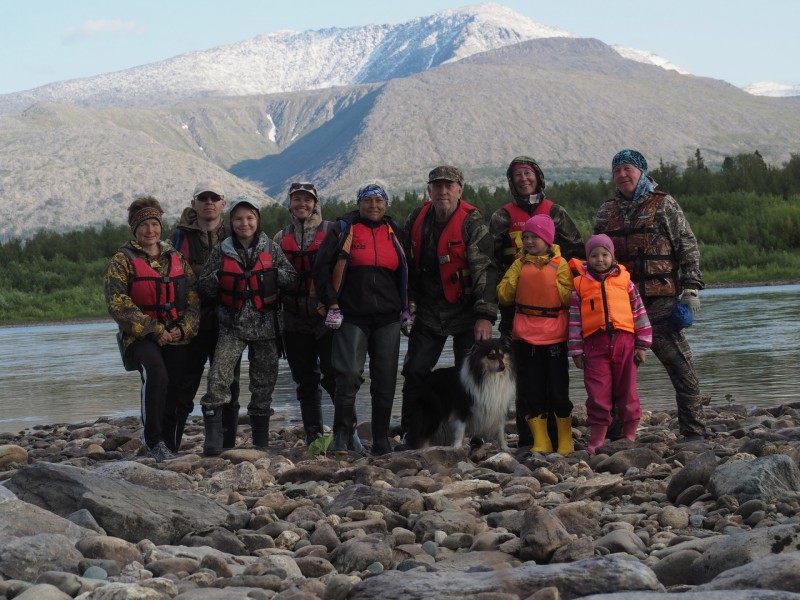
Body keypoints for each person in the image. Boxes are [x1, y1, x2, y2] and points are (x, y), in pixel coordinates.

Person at [594, 149, 706, 441]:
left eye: (628, 169)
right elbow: (593, 257)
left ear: (641, 172)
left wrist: (691, 287)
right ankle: (616, 436)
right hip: (620, 310)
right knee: (619, 377)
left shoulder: (664, 203)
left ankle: (694, 432)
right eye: (617, 170)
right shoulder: (606, 212)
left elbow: (687, 245)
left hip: (661, 305)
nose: (622, 175)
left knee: (683, 370)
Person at [400, 166, 498, 449]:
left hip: (467, 312)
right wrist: (408, 302)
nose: (443, 191)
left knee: (471, 374)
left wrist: (485, 316)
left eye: (449, 186)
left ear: (459, 190)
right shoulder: (416, 218)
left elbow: (486, 271)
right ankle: (412, 431)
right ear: (429, 190)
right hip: (428, 311)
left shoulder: (473, 222)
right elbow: (406, 265)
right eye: (437, 186)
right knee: (416, 370)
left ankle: (479, 434)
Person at [489, 156, 584, 448]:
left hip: (554, 315)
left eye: (528, 173)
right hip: (515, 311)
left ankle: (560, 438)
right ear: (511, 180)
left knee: (555, 378)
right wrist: (488, 307)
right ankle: (531, 439)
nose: (523, 178)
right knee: (525, 377)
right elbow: (488, 263)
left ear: (538, 177)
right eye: (517, 175)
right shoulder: (501, 217)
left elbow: (577, 252)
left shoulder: (555, 212)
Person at [197, 196, 299, 455]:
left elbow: (291, 279)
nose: (245, 223)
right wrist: (221, 278)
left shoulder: (271, 248)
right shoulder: (222, 250)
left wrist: (272, 276)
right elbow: (204, 286)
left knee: (263, 384)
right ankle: (213, 443)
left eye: (250, 218)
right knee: (218, 379)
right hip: (231, 327)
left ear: (258, 220)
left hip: (267, 327)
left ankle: (261, 444)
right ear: (231, 221)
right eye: (239, 218)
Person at [312, 181, 408, 456]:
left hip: (388, 317)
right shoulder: (344, 229)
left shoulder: (395, 231)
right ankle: (341, 439)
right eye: (368, 200)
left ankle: (380, 440)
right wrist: (331, 302)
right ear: (359, 203)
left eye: (379, 201)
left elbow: (408, 268)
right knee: (349, 375)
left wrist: (408, 306)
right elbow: (321, 269)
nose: (374, 206)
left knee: (386, 378)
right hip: (351, 314)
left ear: (386, 204)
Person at [104, 196, 200, 462]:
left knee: (177, 385)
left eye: (154, 224)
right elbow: (117, 303)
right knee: (156, 374)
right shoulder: (122, 260)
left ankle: (169, 445)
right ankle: (154, 441)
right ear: (135, 229)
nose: (150, 230)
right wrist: (154, 329)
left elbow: (192, 296)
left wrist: (185, 329)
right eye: (144, 225)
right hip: (140, 337)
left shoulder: (175, 256)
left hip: (176, 335)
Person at [168, 179, 241, 453]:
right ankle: (171, 444)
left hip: (228, 321)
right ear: (193, 204)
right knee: (185, 383)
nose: (209, 202)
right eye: (203, 198)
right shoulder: (178, 238)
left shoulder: (236, 233)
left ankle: (227, 445)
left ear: (223, 203)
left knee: (229, 384)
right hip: (192, 321)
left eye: (214, 198)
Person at [496, 215, 574, 455]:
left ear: (547, 240)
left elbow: (569, 298)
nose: (528, 241)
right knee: (532, 390)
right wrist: (520, 277)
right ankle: (542, 441)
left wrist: (545, 279)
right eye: (526, 237)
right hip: (526, 336)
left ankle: (565, 440)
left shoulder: (561, 264)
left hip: (555, 336)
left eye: (534, 237)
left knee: (558, 390)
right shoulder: (519, 264)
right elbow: (504, 296)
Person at [568, 234, 652, 455]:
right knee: (597, 393)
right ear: (588, 258)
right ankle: (597, 440)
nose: (600, 259)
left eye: (605, 254)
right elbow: (575, 321)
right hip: (594, 346)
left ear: (612, 256)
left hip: (625, 343)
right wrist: (576, 350)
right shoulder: (579, 285)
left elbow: (639, 313)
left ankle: (630, 435)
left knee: (628, 390)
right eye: (594, 255)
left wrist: (642, 345)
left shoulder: (626, 282)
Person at [273, 182, 337, 445]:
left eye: (307, 200)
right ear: (289, 203)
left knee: (335, 377)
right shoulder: (279, 238)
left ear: (315, 203)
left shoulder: (332, 231)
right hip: (293, 319)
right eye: (296, 199)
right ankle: (314, 437)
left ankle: (347, 433)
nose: (302, 204)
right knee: (305, 381)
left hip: (326, 319)